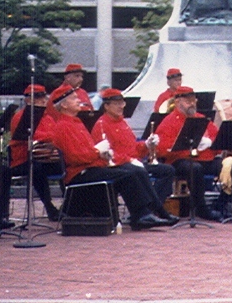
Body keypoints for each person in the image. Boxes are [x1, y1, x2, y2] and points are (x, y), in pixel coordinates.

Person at [48, 85, 171, 230]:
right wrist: (98, 152)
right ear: (63, 104)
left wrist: (146, 145)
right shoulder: (64, 126)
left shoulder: (75, 122)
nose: (79, 100)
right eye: (74, 98)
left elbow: (129, 148)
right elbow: (76, 157)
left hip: (91, 166)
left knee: (133, 172)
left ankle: (147, 213)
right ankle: (142, 215)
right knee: (129, 173)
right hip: (81, 172)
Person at [91, 88, 177, 223]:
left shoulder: (122, 122)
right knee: (137, 171)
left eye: (122, 103)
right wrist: (130, 159)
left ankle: (153, 209)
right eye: (117, 104)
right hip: (118, 165)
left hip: (132, 162)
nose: (121, 107)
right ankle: (155, 211)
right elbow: (108, 154)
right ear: (106, 106)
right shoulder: (102, 125)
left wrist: (147, 145)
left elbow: (134, 147)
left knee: (167, 170)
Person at [154, 86, 226, 221]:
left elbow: (219, 141)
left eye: (193, 100)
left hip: (204, 159)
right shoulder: (169, 121)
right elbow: (162, 150)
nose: (192, 103)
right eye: (188, 101)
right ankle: (201, 208)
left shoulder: (202, 119)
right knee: (195, 168)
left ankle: (222, 204)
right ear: (177, 102)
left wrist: (211, 142)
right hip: (180, 160)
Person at [8, 84, 63, 222]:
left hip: (45, 157)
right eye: (38, 97)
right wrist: (50, 138)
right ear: (28, 99)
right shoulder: (20, 116)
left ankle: (68, 204)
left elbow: (57, 134)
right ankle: (49, 207)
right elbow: (35, 135)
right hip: (22, 159)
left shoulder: (48, 117)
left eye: (43, 96)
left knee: (67, 164)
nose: (42, 99)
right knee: (36, 169)